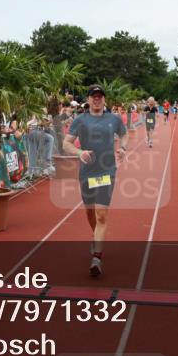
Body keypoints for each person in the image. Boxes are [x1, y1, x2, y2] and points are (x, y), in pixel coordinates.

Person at [63, 84, 128, 277]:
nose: (97, 99)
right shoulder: (80, 121)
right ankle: (96, 236)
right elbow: (66, 144)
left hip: (106, 171)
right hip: (87, 173)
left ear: (104, 99)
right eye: (94, 96)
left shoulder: (114, 119)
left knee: (101, 215)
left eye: (100, 96)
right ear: (89, 99)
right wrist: (79, 152)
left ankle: (97, 258)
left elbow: (124, 135)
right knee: (90, 213)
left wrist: (123, 148)